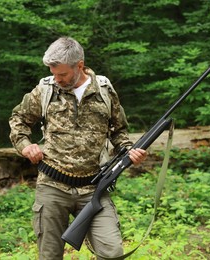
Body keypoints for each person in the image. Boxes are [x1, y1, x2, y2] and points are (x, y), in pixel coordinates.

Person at [9, 37, 147, 259]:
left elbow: (119, 131)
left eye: (62, 74)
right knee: (50, 255)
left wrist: (130, 151)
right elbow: (18, 119)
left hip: (94, 186)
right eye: (54, 73)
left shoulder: (104, 90)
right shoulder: (45, 89)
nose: (57, 79)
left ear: (79, 65)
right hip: (52, 188)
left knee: (112, 252)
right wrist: (25, 146)